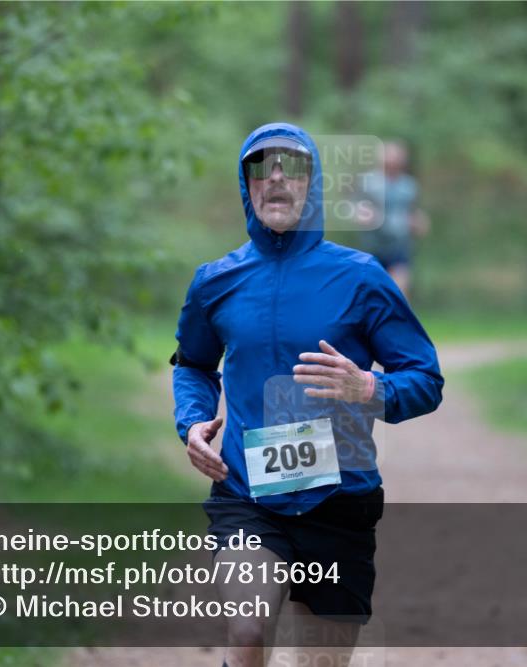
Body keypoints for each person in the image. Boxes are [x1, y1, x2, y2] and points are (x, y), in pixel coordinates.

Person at [171, 122, 444, 667]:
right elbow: (194, 366)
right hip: (248, 496)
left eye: (290, 166)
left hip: (338, 500)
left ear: (312, 184)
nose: (275, 178)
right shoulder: (215, 282)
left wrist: (369, 387)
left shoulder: (361, 278)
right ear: (245, 185)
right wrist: (194, 420)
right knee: (247, 632)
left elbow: (425, 379)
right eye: (260, 167)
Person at [353, 140, 430, 300]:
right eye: (389, 157)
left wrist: (418, 222)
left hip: (399, 248)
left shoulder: (409, 186)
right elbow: (355, 207)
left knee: (399, 296)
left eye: (397, 157)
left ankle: (398, 324)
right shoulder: (368, 182)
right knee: (372, 296)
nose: (393, 161)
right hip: (373, 248)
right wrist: (362, 214)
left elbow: (414, 213)